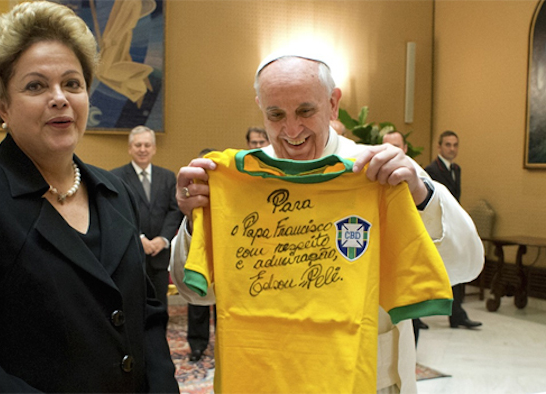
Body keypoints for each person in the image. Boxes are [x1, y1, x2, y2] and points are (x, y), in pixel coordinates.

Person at [170, 49, 484, 393]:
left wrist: (421, 195)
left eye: (306, 110)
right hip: (265, 377)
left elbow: (467, 264)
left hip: (364, 379)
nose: (291, 130)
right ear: (260, 106)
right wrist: (192, 220)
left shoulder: (381, 172)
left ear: (333, 103)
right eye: (276, 114)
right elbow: (195, 292)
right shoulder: (243, 183)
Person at [0, 2, 178, 392]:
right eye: (36, 86)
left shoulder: (116, 192)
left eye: (72, 83)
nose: (60, 98)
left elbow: (146, 315)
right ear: (1, 105)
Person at [111, 126, 183, 307]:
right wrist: (139, 237)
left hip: (160, 254)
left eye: (147, 145)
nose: (143, 149)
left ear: (154, 148)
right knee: (133, 305)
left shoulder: (167, 177)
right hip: (133, 252)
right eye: (138, 145)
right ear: (130, 148)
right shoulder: (116, 177)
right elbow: (118, 212)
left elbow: (174, 210)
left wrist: (163, 239)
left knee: (160, 305)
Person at [425, 130, 482, 330]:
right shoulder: (431, 169)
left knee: (455, 270)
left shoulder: (456, 169)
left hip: (453, 226)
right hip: (437, 228)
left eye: (455, 145)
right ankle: (419, 316)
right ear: (439, 147)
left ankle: (457, 314)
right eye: (448, 145)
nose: (452, 149)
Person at [382, 131, 431, 343]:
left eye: (396, 146)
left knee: (412, 315)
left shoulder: (417, 174)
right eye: (386, 146)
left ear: (405, 148)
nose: (391, 150)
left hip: (413, 244)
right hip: (388, 248)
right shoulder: (375, 173)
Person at [184, 148, 216, 362]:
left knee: (223, 305)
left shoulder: (231, 188)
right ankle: (197, 344)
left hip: (224, 254)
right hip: (197, 249)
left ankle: (224, 344)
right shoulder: (190, 190)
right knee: (197, 302)